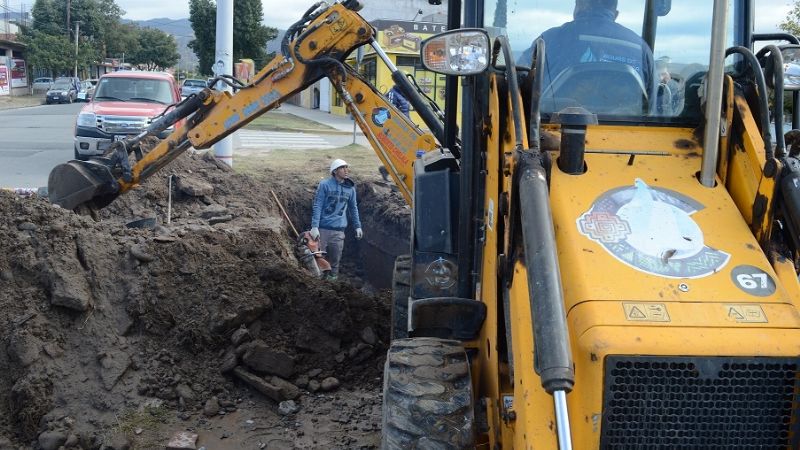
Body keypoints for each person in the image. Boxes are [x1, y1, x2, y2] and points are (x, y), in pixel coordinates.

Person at [518, 0, 654, 94]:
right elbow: (651, 108)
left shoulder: (548, 40)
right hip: (628, 132)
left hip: (553, 131)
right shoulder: (642, 50)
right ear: (615, 13)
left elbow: (518, 80)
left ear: (579, 6)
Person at [310, 159, 363, 280]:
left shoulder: (350, 189)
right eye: (342, 168)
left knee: (335, 259)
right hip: (323, 228)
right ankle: (318, 282)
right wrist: (314, 226)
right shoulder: (325, 185)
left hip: (339, 230)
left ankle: (333, 282)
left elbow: (353, 208)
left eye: (346, 167)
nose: (346, 170)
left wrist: (357, 226)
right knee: (319, 258)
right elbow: (318, 205)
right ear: (335, 171)